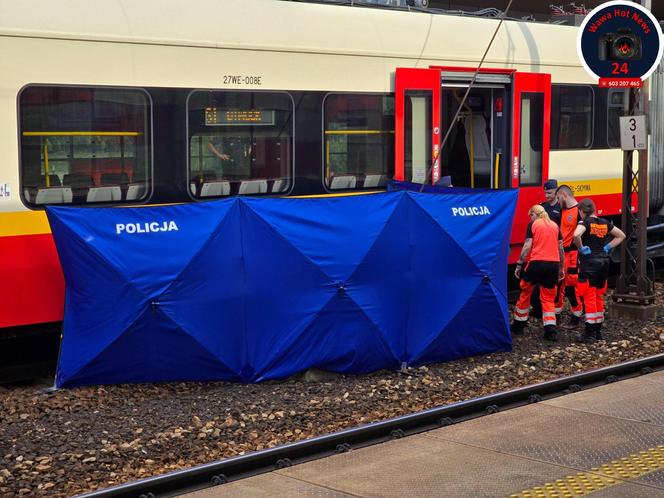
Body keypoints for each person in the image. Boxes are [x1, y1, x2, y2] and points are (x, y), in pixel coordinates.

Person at [573, 198, 626, 343]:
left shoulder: (585, 222)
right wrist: (608, 247)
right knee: (598, 296)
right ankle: (598, 331)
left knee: (589, 297)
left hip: (590, 264)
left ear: (582, 211)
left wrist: (580, 247)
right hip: (604, 262)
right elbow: (621, 235)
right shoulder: (604, 223)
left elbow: (576, 235)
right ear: (594, 210)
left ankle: (589, 334)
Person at [511, 204, 565, 341]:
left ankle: (518, 325)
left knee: (525, 292)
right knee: (548, 297)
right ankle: (550, 330)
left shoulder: (533, 224)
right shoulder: (554, 225)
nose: (530, 218)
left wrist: (519, 264)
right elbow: (561, 249)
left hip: (536, 264)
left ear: (535, 214)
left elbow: (527, 245)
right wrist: (561, 268)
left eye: (531, 215)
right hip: (553, 265)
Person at [530, 179, 562, 319]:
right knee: (538, 285)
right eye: (545, 192)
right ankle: (538, 310)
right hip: (543, 248)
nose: (546, 195)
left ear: (556, 192)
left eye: (549, 193)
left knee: (556, 286)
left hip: (555, 248)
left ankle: (556, 311)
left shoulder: (561, 208)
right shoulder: (542, 208)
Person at [555, 184, 583, 328]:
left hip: (572, 254)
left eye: (558, 197)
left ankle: (576, 316)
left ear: (564, 195)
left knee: (572, 287)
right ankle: (556, 316)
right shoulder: (562, 211)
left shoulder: (579, 211)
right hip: (561, 254)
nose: (557, 201)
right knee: (558, 285)